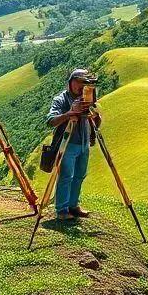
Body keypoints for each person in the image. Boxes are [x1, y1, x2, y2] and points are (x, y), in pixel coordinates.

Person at [46, 68, 102, 221]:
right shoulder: (61, 100)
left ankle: (73, 205)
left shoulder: (87, 99)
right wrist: (70, 113)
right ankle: (62, 210)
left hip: (83, 144)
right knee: (66, 176)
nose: (80, 86)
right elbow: (50, 120)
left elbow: (97, 123)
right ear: (70, 82)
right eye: (78, 82)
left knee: (79, 176)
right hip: (68, 144)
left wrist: (95, 114)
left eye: (83, 83)